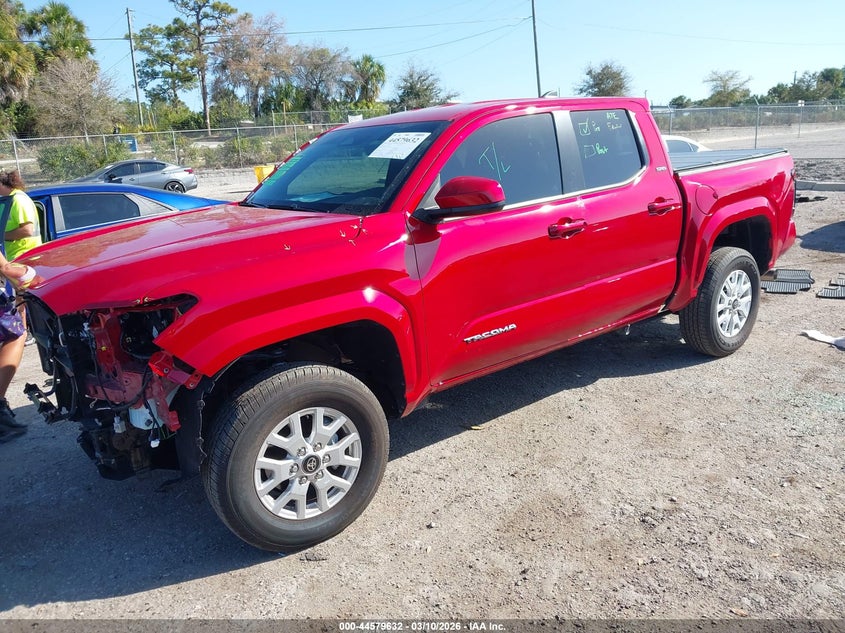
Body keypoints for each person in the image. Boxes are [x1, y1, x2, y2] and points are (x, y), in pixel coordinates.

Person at [0, 170, 42, 441]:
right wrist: (15, 273)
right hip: (14, 268)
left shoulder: (18, 200)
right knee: (15, 333)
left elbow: (28, 229)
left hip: (24, 257)